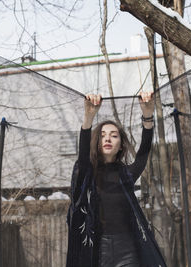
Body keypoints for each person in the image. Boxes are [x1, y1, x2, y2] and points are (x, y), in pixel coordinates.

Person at [66, 92, 167, 267]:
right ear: (96, 142)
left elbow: (143, 154)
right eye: (103, 135)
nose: (108, 138)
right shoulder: (87, 173)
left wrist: (148, 117)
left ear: (120, 145)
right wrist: (88, 117)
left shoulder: (126, 174)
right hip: (98, 248)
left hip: (127, 247)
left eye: (114, 135)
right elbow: (83, 156)